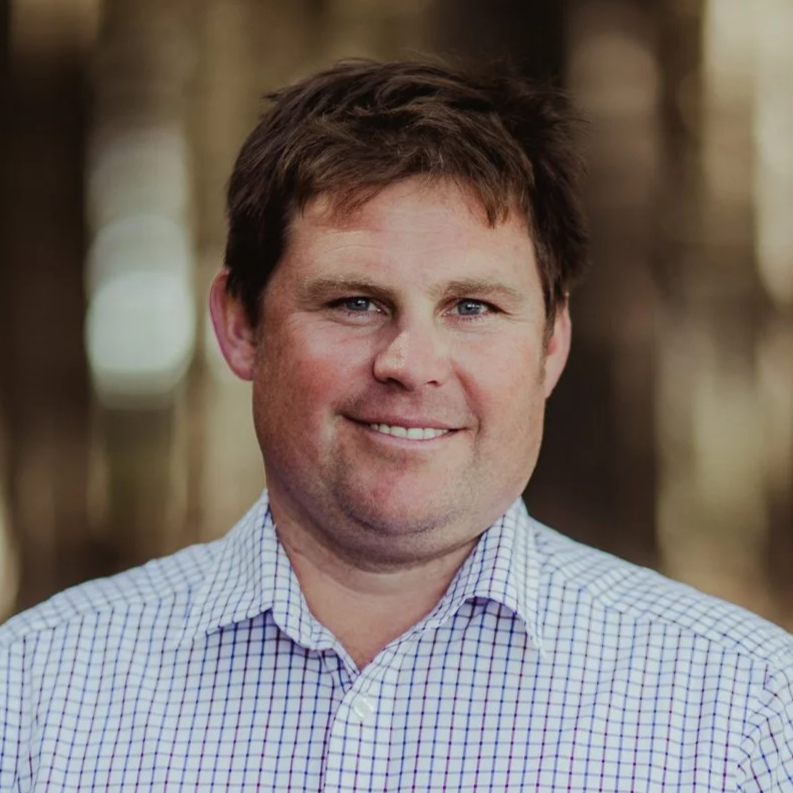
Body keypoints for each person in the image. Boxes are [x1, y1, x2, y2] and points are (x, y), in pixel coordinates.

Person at [1, 59, 791, 793]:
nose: (410, 362)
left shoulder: (742, 714)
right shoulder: (35, 697)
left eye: (472, 307)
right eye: (354, 302)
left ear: (551, 343)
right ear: (240, 324)